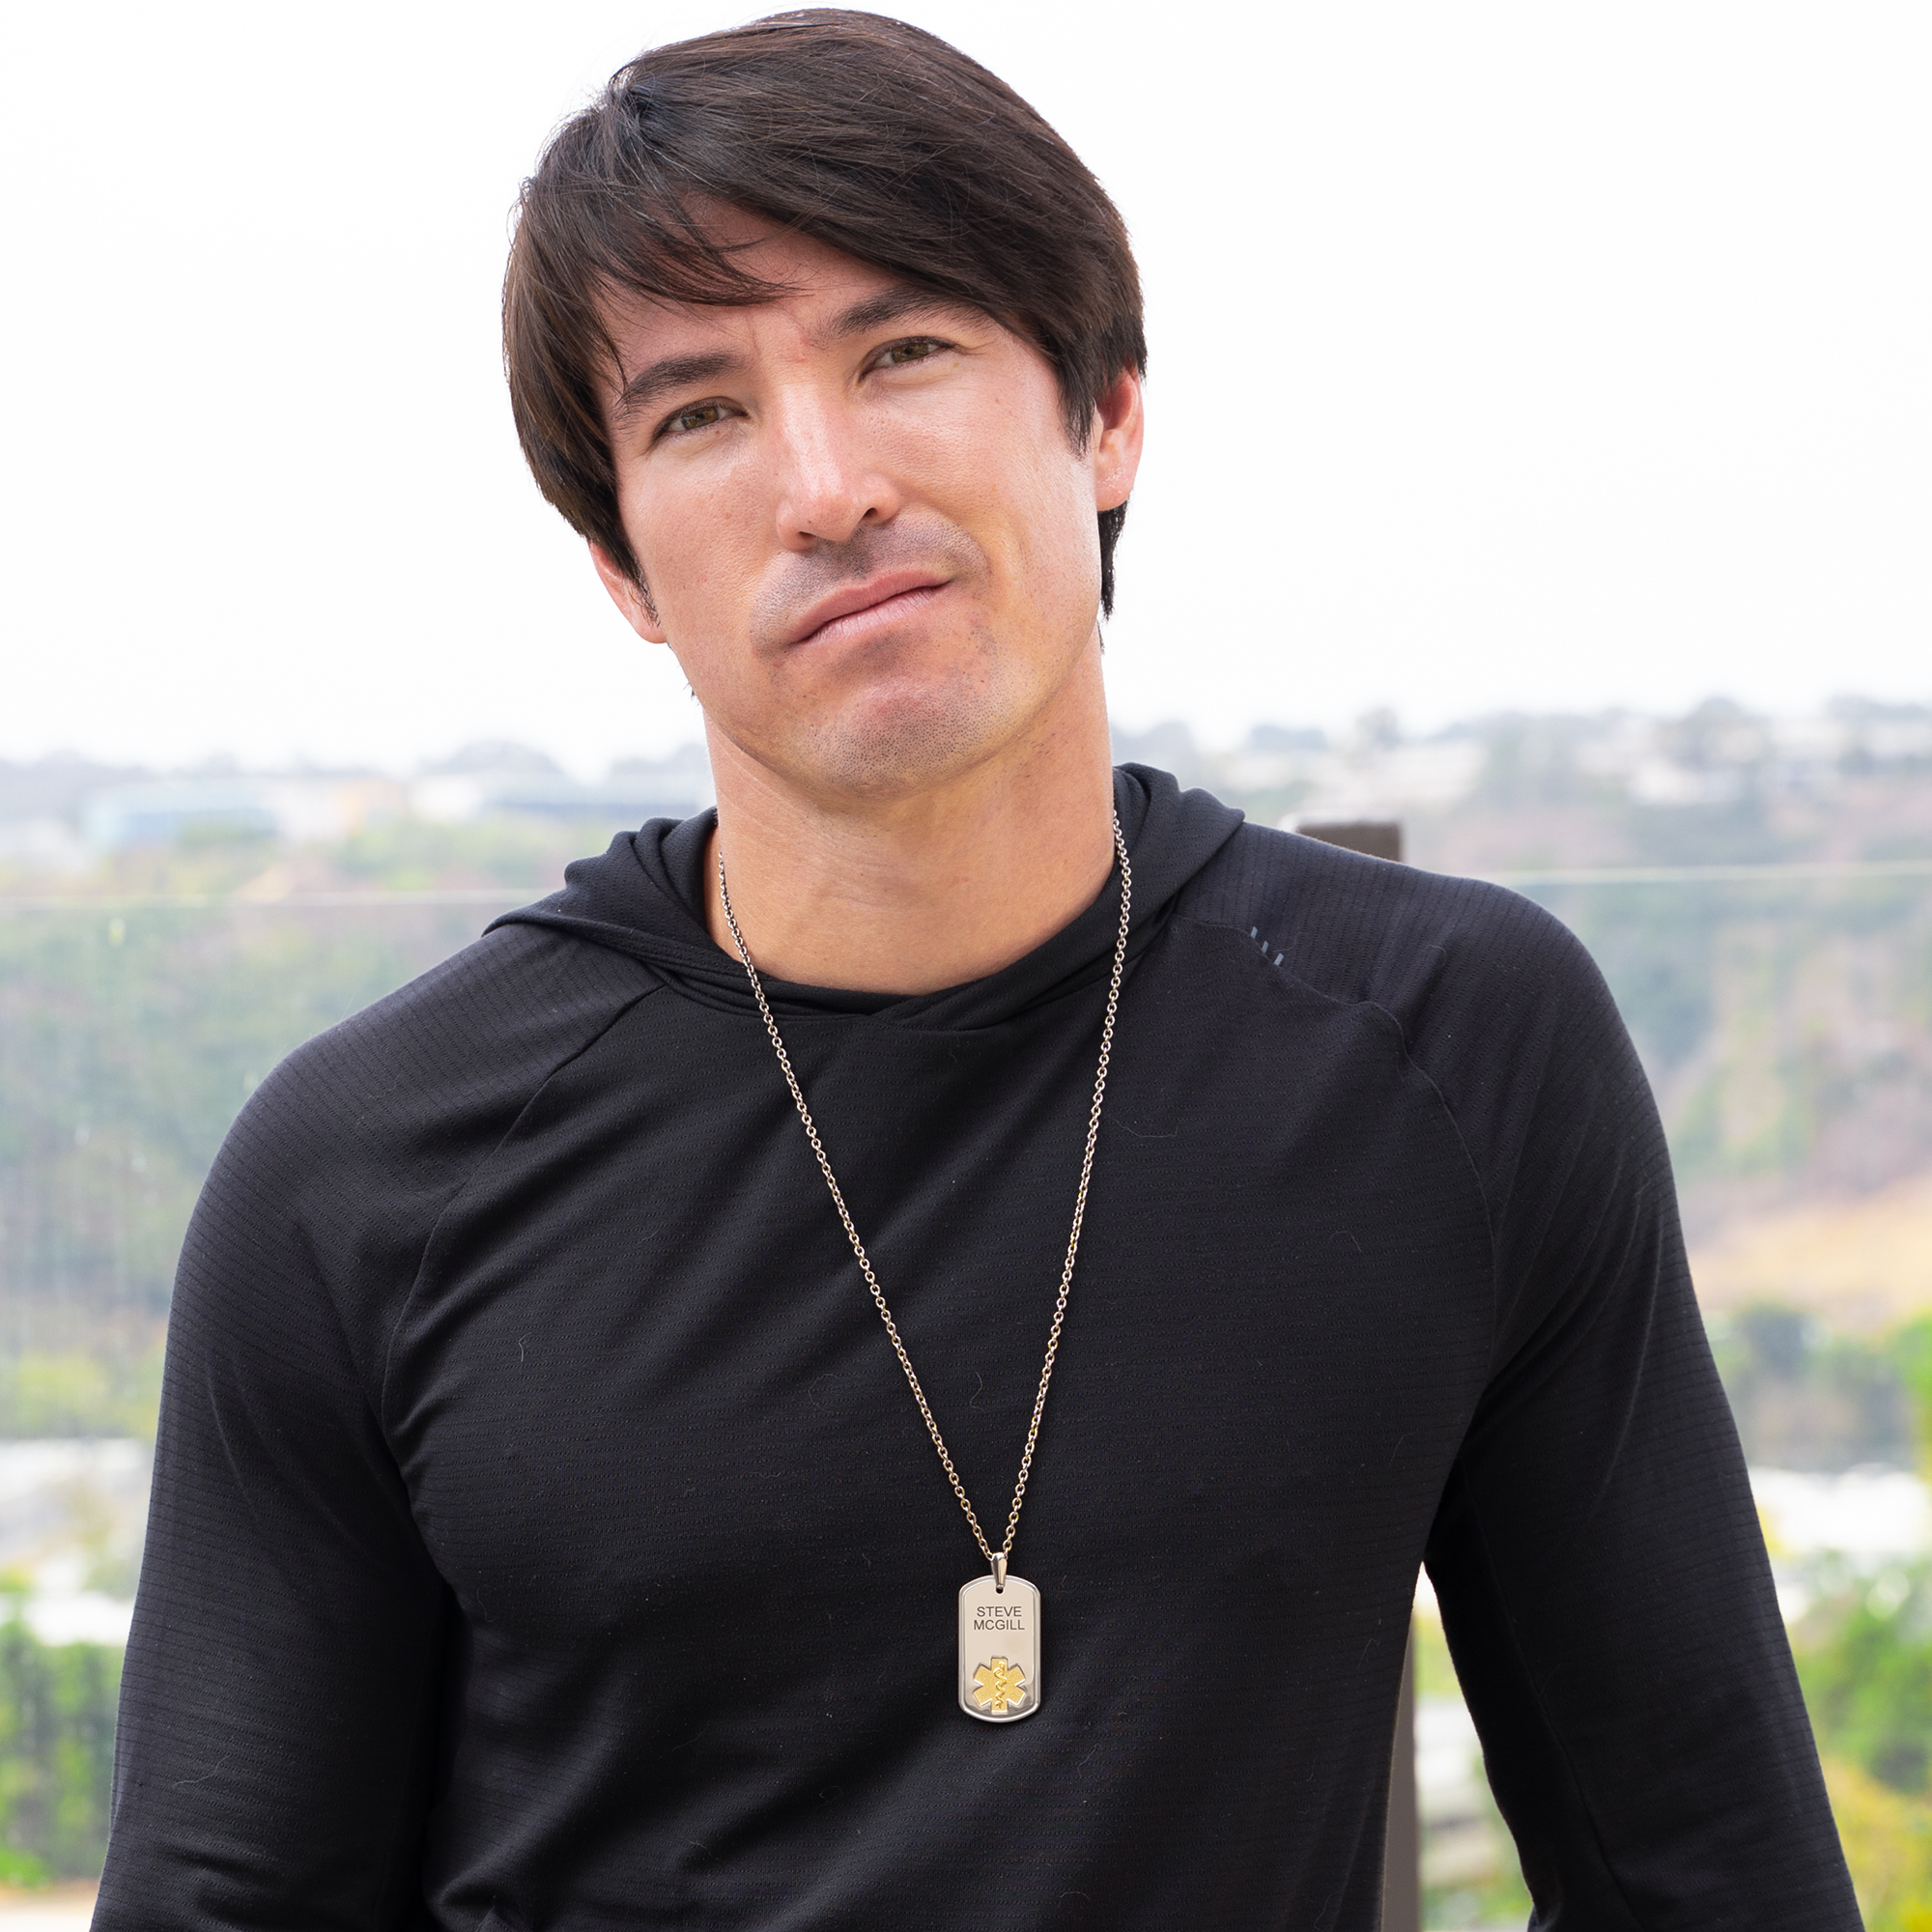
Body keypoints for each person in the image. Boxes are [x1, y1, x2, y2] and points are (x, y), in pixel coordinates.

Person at [97, 11, 1858, 1927]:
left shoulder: (1450, 1049)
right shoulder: (368, 1172)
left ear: (1104, 416)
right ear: (623, 569)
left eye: (902, 353)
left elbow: (1708, 1869)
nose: (826, 483)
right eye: (699, 416)